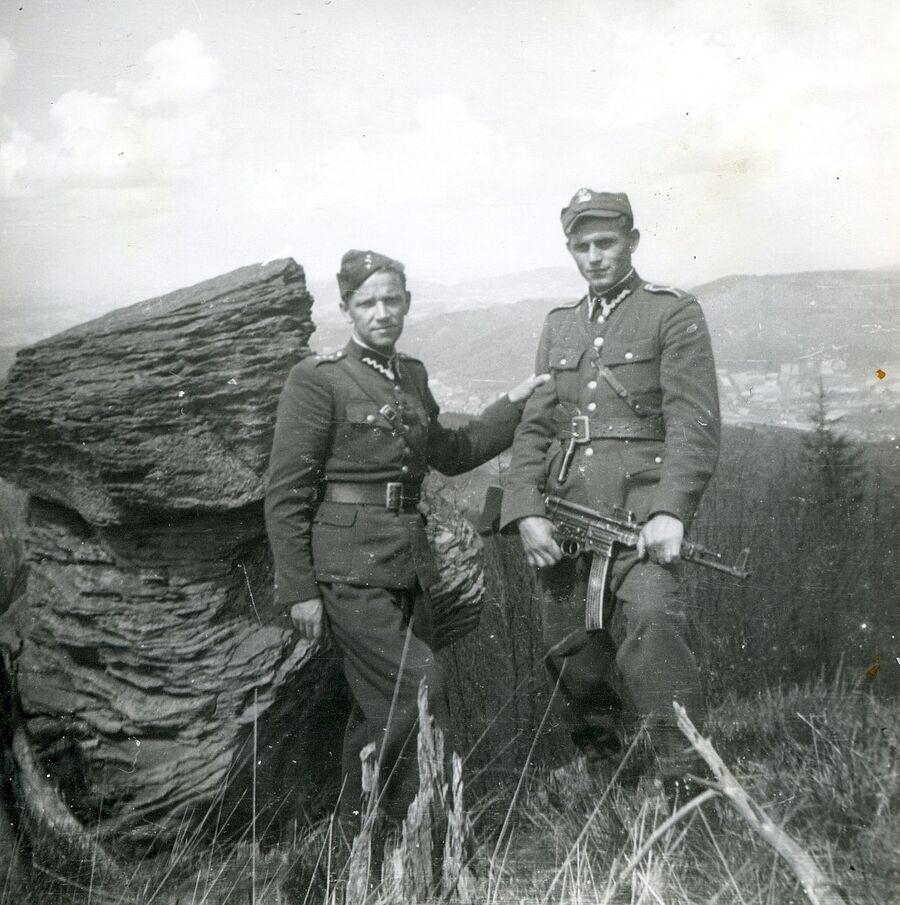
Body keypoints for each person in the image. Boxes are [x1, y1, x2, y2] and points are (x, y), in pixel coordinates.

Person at [264, 249, 546, 839]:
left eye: (392, 299)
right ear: (345, 309)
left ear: (408, 303)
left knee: (381, 710)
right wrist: (298, 590)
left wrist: (515, 406)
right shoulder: (318, 381)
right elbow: (287, 491)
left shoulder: (411, 376)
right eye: (366, 302)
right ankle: (380, 831)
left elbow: (451, 453)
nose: (381, 312)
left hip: (407, 563)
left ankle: (361, 841)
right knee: (419, 688)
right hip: (347, 569)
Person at [499, 189, 720, 798]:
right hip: (567, 520)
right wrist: (524, 511)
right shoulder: (559, 325)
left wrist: (672, 510)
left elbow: (694, 424)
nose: (594, 257)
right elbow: (536, 428)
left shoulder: (671, 313)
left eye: (605, 243)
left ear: (631, 242)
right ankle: (610, 776)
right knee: (571, 652)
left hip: (639, 518)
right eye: (582, 246)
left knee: (655, 629)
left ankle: (687, 780)